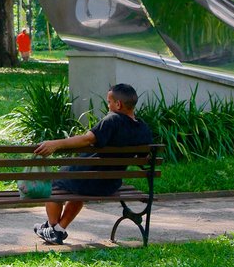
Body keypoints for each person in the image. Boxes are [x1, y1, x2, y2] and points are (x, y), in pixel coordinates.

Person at [32, 83, 153, 245]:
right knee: (75, 186)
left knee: (52, 182)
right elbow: (144, 159)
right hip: (110, 184)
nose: (108, 106)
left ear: (118, 104)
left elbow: (88, 138)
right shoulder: (143, 128)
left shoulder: (112, 120)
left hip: (88, 179)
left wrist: (56, 144)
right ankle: (57, 229)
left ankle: (53, 229)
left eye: (109, 102)